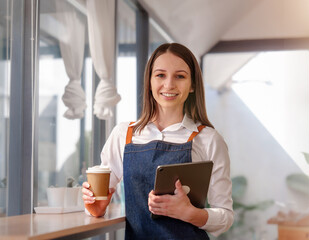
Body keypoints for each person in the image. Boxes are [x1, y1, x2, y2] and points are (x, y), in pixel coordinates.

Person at [81, 43, 233, 239]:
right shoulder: (123, 135)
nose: (169, 84)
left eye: (180, 76)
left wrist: (189, 213)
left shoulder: (208, 139)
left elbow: (225, 217)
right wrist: (94, 206)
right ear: (149, 81)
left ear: (192, 84)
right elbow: (98, 206)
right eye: (160, 75)